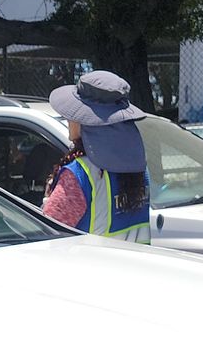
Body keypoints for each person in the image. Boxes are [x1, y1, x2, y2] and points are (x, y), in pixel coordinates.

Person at [41, 71, 152, 243]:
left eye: (73, 113)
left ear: (87, 121)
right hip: (137, 267)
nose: (68, 118)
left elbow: (46, 232)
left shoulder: (80, 174)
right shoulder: (139, 169)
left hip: (91, 268)